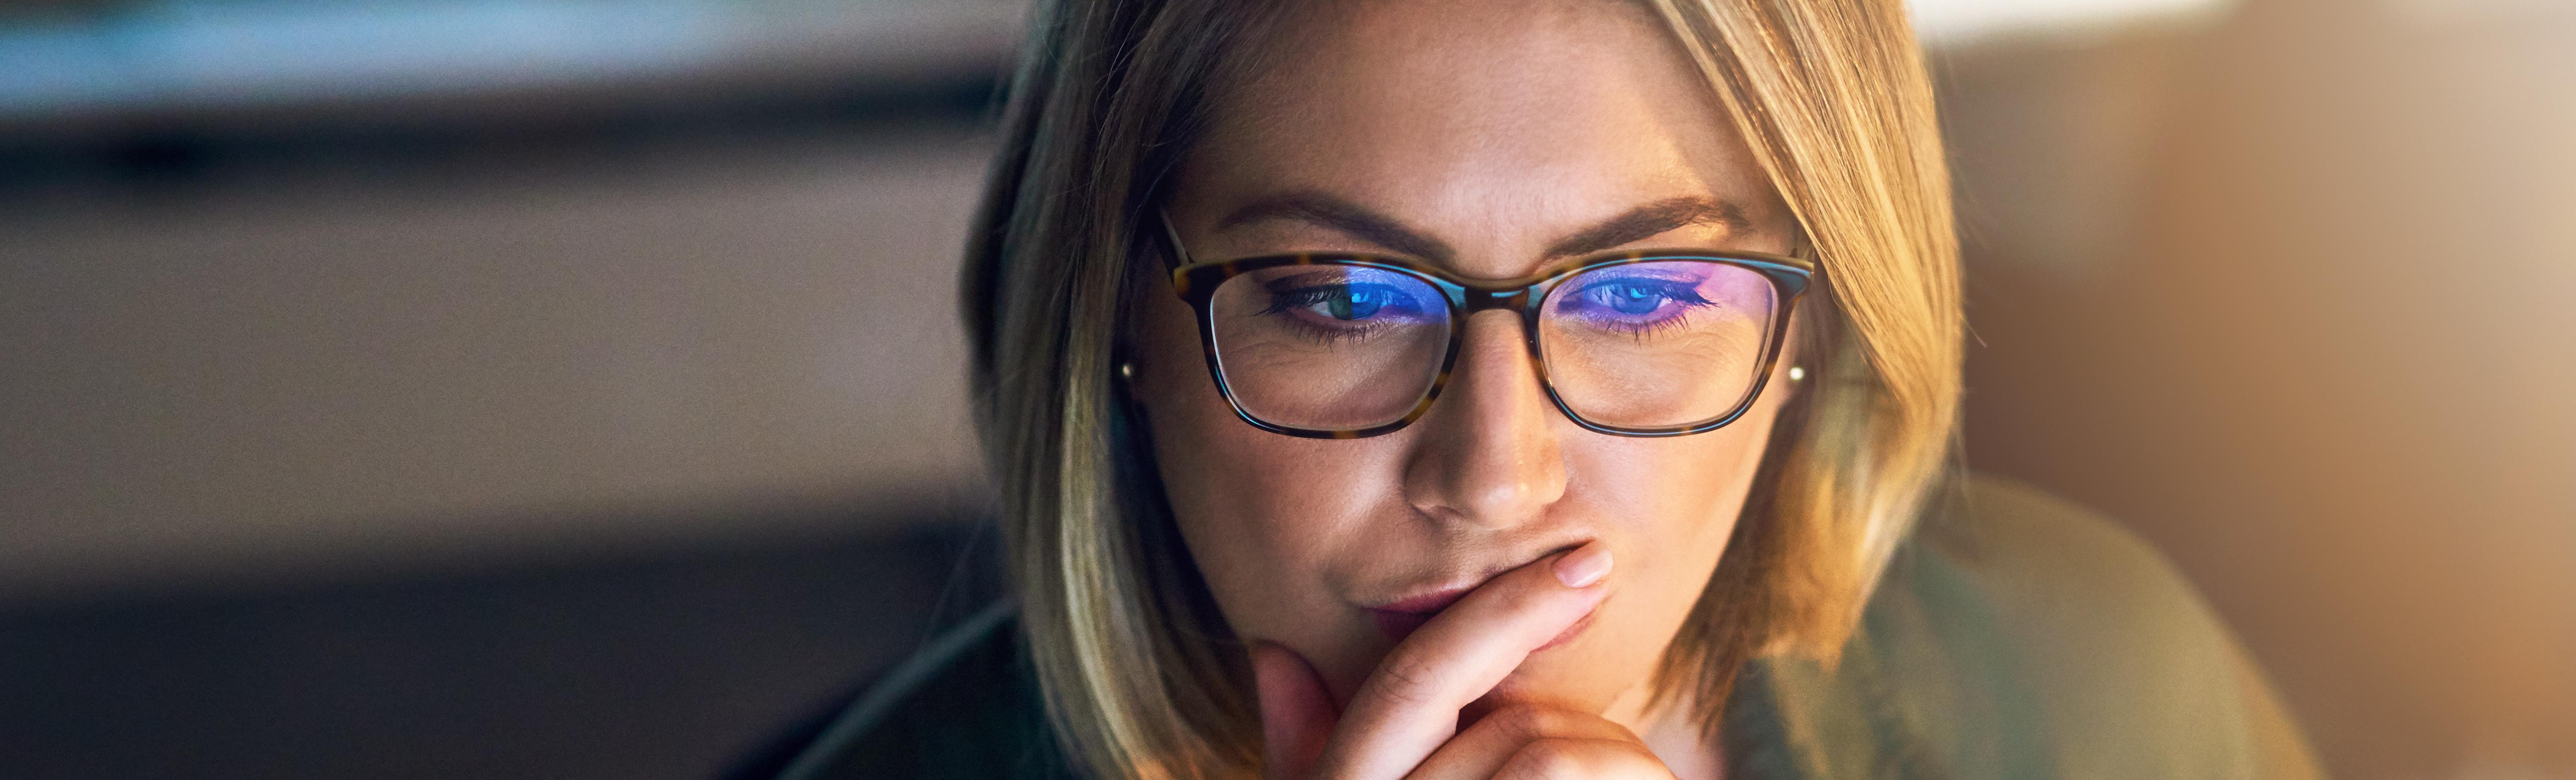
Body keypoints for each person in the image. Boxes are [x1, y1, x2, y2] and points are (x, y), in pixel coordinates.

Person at [765, 0, 2323, 777]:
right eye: (1340, 298)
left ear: (1814, 337)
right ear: (1117, 314)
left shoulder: (2096, 695)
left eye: (1643, 296)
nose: (1493, 476)